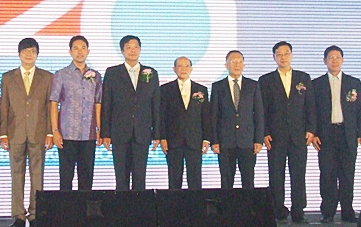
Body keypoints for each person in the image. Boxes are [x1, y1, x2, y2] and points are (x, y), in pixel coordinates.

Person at [259, 41, 316, 224]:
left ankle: (298, 210)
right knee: (276, 173)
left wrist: (311, 129)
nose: (283, 57)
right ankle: (278, 209)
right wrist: (264, 132)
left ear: (291, 55)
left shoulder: (303, 78)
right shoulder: (265, 80)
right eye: (279, 54)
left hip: (299, 135)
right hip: (275, 135)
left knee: (298, 173)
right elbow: (262, 110)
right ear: (274, 57)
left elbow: (311, 106)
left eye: (286, 53)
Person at [0, 38, 53, 227]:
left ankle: (35, 214)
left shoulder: (47, 77)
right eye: (25, 51)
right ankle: (18, 215)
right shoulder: (7, 77)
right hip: (15, 132)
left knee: (37, 174)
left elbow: (50, 106)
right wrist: (3, 133)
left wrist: (50, 132)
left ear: (37, 54)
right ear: (19, 54)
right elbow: (4, 105)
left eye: (32, 51)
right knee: (16, 174)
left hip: (38, 132)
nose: (28, 54)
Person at [312, 45, 361, 223]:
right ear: (324, 61)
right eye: (330, 57)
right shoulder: (316, 84)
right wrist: (314, 133)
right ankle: (328, 211)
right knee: (327, 174)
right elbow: (312, 112)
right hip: (326, 135)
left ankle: (347, 210)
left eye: (337, 57)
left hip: (347, 134)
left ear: (342, 60)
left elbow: (360, 110)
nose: (334, 60)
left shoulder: (353, 82)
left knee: (347, 173)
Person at [101, 35, 160, 190]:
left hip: (142, 132)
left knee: (140, 178)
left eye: (136, 47)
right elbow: (107, 104)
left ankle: (139, 214)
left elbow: (156, 105)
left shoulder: (151, 73)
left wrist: (158, 134)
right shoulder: (112, 73)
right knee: (121, 178)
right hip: (119, 132)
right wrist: (105, 133)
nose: (132, 50)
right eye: (128, 47)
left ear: (140, 50)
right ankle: (122, 213)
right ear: (122, 51)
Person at [50, 35, 102, 191]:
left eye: (83, 48)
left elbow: (98, 103)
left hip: (89, 135)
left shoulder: (96, 75)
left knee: (86, 179)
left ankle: (84, 215)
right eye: (76, 48)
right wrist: (55, 131)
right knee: (66, 178)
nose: (80, 52)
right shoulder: (61, 74)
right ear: (70, 52)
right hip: (67, 134)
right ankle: (66, 214)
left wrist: (100, 129)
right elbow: (53, 103)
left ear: (88, 51)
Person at [210, 50, 264, 189]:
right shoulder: (217, 86)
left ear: (244, 65)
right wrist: (214, 140)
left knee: (248, 181)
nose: (237, 64)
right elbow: (214, 116)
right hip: (225, 142)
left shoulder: (253, 85)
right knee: (226, 181)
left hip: (247, 141)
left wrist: (258, 139)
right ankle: (227, 211)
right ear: (226, 65)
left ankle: (248, 210)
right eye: (233, 61)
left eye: (240, 61)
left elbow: (258, 114)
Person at [160, 56, 210, 189]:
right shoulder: (165, 89)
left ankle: (194, 209)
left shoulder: (201, 90)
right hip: (173, 140)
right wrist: (162, 137)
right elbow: (161, 116)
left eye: (186, 66)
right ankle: (174, 209)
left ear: (191, 69)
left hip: (195, 140)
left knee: (195, 179)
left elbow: (206, 116)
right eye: (180, 66)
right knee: (174, 179)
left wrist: (206, 138)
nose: (183, 69)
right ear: (174, 69)